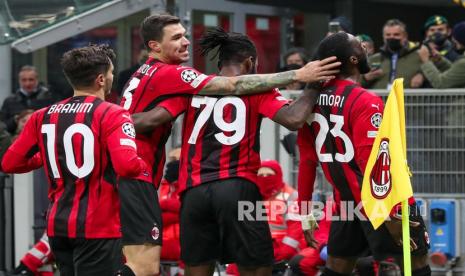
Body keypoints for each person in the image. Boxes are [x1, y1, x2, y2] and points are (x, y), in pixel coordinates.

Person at [117, 13, 340, 276]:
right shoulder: (259, 88)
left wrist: (109, 119)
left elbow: (154, 118)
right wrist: (313, 87)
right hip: (237, 187)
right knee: (257, 266)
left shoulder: (192, 89)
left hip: (192, 193)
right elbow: (293, 119)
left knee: (196, 268)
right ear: (250, 63)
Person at [1, 44, 149, 276]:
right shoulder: (114, 113)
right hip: (98, 227)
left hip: (58, 227)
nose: (112, 77)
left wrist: (45, 157)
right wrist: (143, 164)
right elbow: (127, 166)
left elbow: (9, 163)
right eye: (110, 73)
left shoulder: (42, 115)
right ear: (101, 79)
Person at [297, 32, 431, 276]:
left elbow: (306, 161)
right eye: (360, 45)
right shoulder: (365, 101)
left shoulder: (309, 103)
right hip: (381, 202)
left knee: (337, 267)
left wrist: (305, 212)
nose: (366, 48)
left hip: (346, 203)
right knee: (416, 264)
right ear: (353, 60)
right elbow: (371, 163)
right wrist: (389, 215)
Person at [362, 19, 422, 89]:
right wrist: (365, 78)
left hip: (406, 99)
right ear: (383, 37)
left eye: (396, 34)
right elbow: (355, 83)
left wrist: (422, 75)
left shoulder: (418, 56)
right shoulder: (373, 59)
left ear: (405, 36)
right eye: (388, 35)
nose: (392, 37)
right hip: (380, 99)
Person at [0, 66, 54, 134]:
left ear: (37, 80)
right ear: (19, 80)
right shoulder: (9, 101)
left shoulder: (48, 99)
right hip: (16, 140)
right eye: (24, 80)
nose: (27, 83)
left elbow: (54, 122)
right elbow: (2, 127)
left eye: (31, 79)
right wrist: (15, 120)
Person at [418, 21, 465, 88]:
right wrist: (440, 60)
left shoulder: (463, 63)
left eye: (454, 36)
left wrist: (426, 61)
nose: (453, 39)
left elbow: (440, 83)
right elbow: (456, 73)